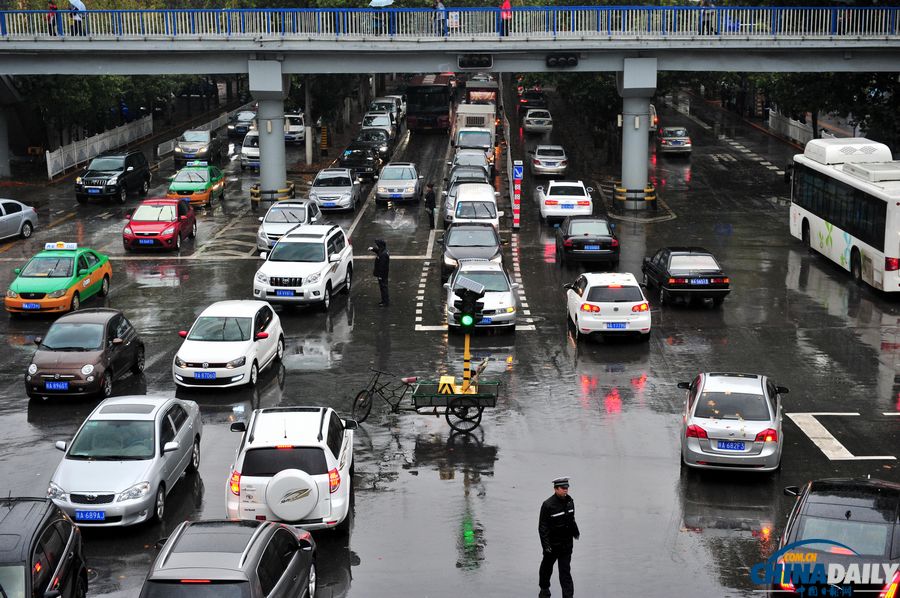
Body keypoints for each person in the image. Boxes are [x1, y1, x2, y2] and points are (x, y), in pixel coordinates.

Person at [538, 477, 580, 598]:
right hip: (552, 545)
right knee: (546, 569)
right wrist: (546, 546)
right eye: (563, 488)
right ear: (556, 489)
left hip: (566, 545)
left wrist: (576, 532)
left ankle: (568, 596)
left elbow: (571, 519)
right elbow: (542, 527)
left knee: (565, 573)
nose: (566, 490)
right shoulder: (547, 505)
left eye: (567, 488)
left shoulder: (570, 502)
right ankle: (544, 589)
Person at [370, 239, 390, 307]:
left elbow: (382, 266)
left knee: (383, 288)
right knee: (383, 287)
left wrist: (380, 275)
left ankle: (385, 302)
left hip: (382, 275)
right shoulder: (383, 251)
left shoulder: (383, 255)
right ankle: (384, 300)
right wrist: (373, 249)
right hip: (383, 274)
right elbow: (378, 251)